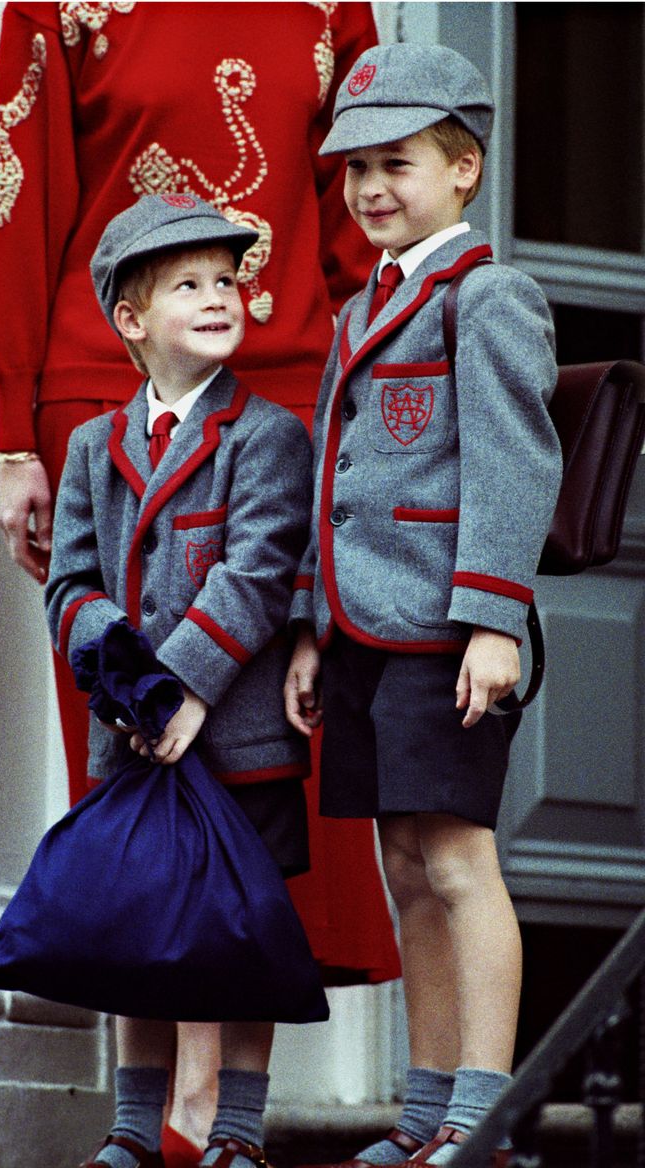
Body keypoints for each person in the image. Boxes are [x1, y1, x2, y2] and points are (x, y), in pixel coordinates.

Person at [0, 5, 400, 1159]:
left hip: (297, 387)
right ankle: (157, 1112)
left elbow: (355, 212)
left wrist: (382, 398)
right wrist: (12, 427)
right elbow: (20, 196)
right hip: (104, 383)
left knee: (266, 783)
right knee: (133, 796)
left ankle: (219, 1115)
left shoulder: (332, 4)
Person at [284, 42, 563, 1167]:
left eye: (394, 163)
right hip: (360, 632)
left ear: (464, 170)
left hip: (446, 633)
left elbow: (513, 460)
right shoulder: (359, 312)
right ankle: (425, 1108)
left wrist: (494, 617)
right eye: (353, 170)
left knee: (457, 859)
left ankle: (481, 1113)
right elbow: (329, 477)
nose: (368, 190)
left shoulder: (488, 296)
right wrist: (309, 627)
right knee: (402, 862)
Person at [44, 193, 318, 1168]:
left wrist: (185, 688)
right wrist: (122, 679)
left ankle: (236, 1132)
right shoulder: (90, 448)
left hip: (235, 729)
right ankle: (131, 1127)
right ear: (130, 318)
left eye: (227, 280)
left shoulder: (269, 435)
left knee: (242, 934)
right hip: (131, 734)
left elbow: (255, 572)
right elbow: (70, 581)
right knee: (137, 931)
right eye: (189, 284)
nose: (219, 296)